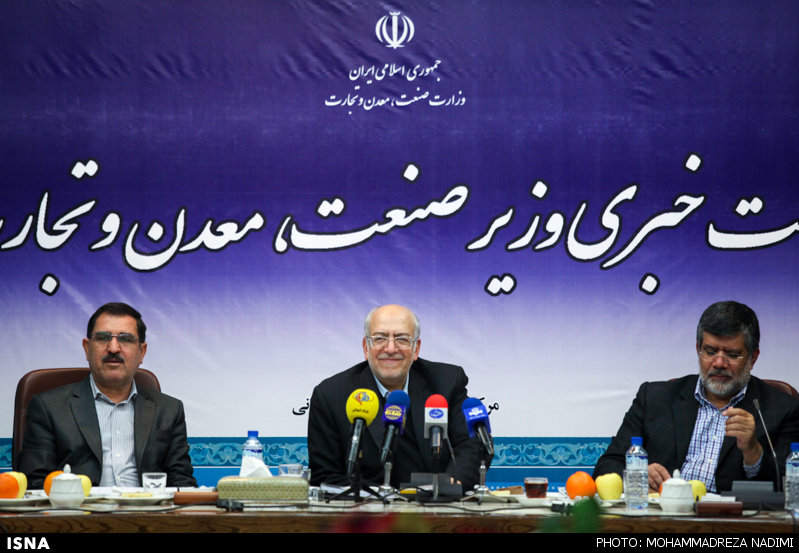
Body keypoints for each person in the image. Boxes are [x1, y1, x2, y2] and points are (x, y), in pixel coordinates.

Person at [593, 301, 799, 493]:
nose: (719, 363)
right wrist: (637, 475)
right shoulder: (655, 397)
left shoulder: (783, 409)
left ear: (753, 357)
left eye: (732, 354)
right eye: (710, 351)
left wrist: (754, 452)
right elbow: (607, 466)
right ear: (698, 349)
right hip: (661, 514)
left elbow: (789, 488)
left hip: (730, 517)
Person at [307, 304, 485, 493]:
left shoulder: (446, 382)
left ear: (416, 348)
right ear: (366, 348)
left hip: (436, 504)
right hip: (367, 507)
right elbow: (325, 476)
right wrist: (382, 498)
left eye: (402, 339)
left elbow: (471, 446)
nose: (391, 348)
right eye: (380, 338)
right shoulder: (332, 395)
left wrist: (447, 487)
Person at [19, 302, 196, 489]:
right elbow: (35, 485)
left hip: (147, 507)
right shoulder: (49, 407)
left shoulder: (168, 410)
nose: (113, 348)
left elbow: (182, 484)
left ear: (142, 352)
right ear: (87, 348)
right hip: (78, 507)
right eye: (103, 338)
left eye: (125, 339)